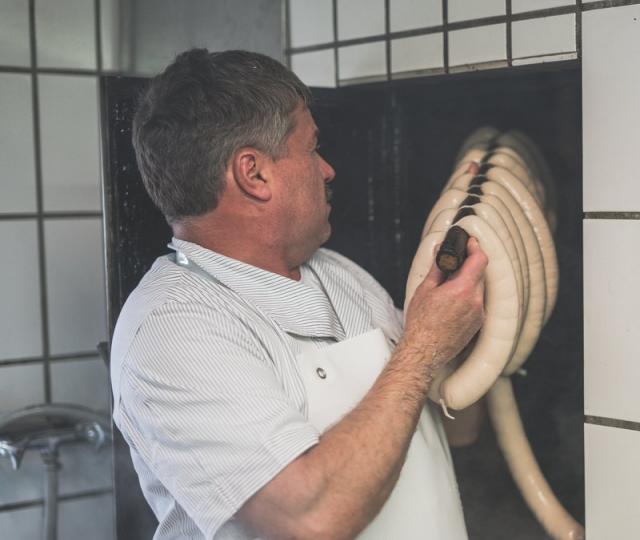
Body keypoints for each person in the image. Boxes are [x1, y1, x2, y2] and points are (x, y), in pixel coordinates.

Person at [109, 48, 487, 540]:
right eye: (311, 149)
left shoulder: (340, 275)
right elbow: (308, 520)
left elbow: (458, 429)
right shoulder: (171, 331)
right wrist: (423, 347)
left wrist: (465, 331)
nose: (327, 170)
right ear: (253, 174)